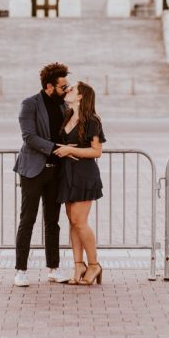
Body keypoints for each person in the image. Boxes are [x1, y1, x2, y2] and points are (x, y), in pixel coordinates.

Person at [11, 61, 75, 287]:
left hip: (56, 172)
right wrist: (55, 149)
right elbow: (28, 136)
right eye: (63, 86)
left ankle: (53, 268)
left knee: (52, 221)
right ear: (49, 86)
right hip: (33, 171)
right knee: (27, 220)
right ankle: (20, 270)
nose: (66, 90)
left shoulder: (64, 107)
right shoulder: (29, 104)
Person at [54, 81, 106, 285]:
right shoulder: (67, 116)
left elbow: (97, 151)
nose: (68, 91)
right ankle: (78, 265)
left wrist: (70, 150)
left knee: (80, 222)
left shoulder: (92, 120)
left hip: (85, 174)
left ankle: (94, 265)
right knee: (73, 222)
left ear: (81, 96)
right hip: (67, 174)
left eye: (73, 89)